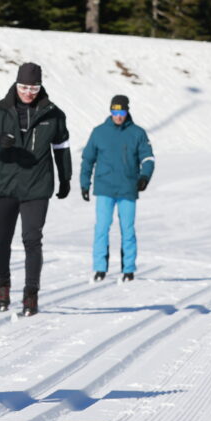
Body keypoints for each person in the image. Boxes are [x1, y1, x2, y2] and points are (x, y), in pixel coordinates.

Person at [0, 62, 71, 316]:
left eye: (33, 87)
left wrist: (65, 178)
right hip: (4, 184)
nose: (28, 92)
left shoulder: (53, 114)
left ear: (40, 87)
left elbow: (61, 148)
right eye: (24, 87)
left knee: (32, 239)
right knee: (2, 238)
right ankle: (3, 286)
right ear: (16, 85)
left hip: (37, 185)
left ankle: (31, 294)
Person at [79, 95, 155, 282]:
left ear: (127, 111)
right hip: (105, 187)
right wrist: (84, 183)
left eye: (121, 112)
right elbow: (88, 159)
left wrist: (144, 176)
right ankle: (100, 268)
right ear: (110, 111)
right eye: (115, 112)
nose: (118, 116)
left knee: (127, 229)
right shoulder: (99, 132)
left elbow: (148, 158)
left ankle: (128, 269)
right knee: (102, 228)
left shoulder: (138, 133)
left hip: (128, 187)